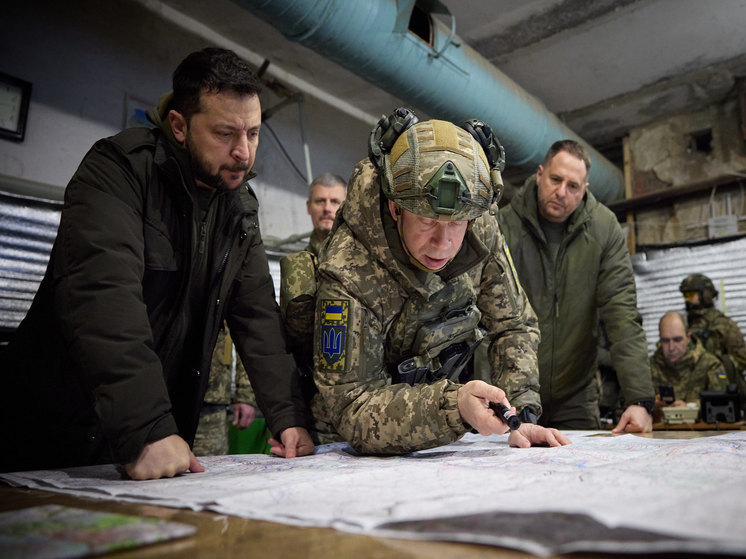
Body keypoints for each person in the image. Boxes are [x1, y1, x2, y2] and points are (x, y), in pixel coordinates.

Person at [0, 47, 313, 478]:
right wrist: (146, 426)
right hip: (56, 433)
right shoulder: (118, 172)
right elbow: (103, 297)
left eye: (254, 134)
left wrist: (289, 417)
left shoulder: (238, 207)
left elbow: (257, 315)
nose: (244, 152)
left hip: (152, 442)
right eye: (226, 134)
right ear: (179, 126)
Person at [311, 109, 571, 454]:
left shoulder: (481, 226)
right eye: (426, 221)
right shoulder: (349, 266)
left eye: (456, 225)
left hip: (437, 437)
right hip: (345, 444)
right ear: (395, 208)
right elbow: (351, 404)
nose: (443, 243)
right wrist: (453, 406)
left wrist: (520, 415)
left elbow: (514, 325)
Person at [499, 139, 655, 433]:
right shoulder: (503, 225)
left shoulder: (603, 227)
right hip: (511, 390)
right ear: (540, 175)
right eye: (556, 180)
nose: (561, 192)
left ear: (584, 190)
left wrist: (640, 399)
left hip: (575, 394)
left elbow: (621, 312)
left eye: (573, 186)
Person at [650, 311, 729, 421]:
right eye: (665, 340)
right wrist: (652, 407)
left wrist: (691, 408)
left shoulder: (710, 364)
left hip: (702, 434)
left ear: (688, 338)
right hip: (659, 433)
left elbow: (723, 404)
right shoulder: (649, 367)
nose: (671, 347)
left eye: (677, 340)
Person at [192, 324, 257, 456]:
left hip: (212, 399)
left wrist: (245, 395)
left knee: (210, 469)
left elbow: (245, 340)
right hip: (166, 398)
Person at [679, 273, 746, 378]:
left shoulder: (722, 324)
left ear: (705, 295)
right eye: (685, 295)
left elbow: (741, 358)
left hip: (719, 387)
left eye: (691, 295)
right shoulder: (683, 325)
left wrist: (718, 371)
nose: (687, 299)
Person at [305, 173, 347, 255]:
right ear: (309, 207)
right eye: (320, 201)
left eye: (335, 202)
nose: (327, 208)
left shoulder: (363, 257)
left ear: (347, 208)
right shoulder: (298, 263)